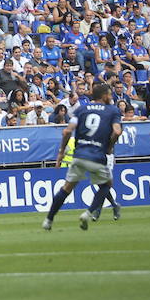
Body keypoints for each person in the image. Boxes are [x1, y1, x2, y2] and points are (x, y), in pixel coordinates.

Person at [43, 82, 122, 231]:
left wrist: (60, 153)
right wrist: (109, 146)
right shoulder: (112, 110)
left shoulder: (81, 109)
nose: (111, 97)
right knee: (106, 185)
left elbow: (67, 132)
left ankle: (49, 220)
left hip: (79, 155)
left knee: (66, 188)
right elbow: (117, 131)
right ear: (105, 96)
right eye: (110, 94)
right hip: (97, 155)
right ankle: (88, 212)